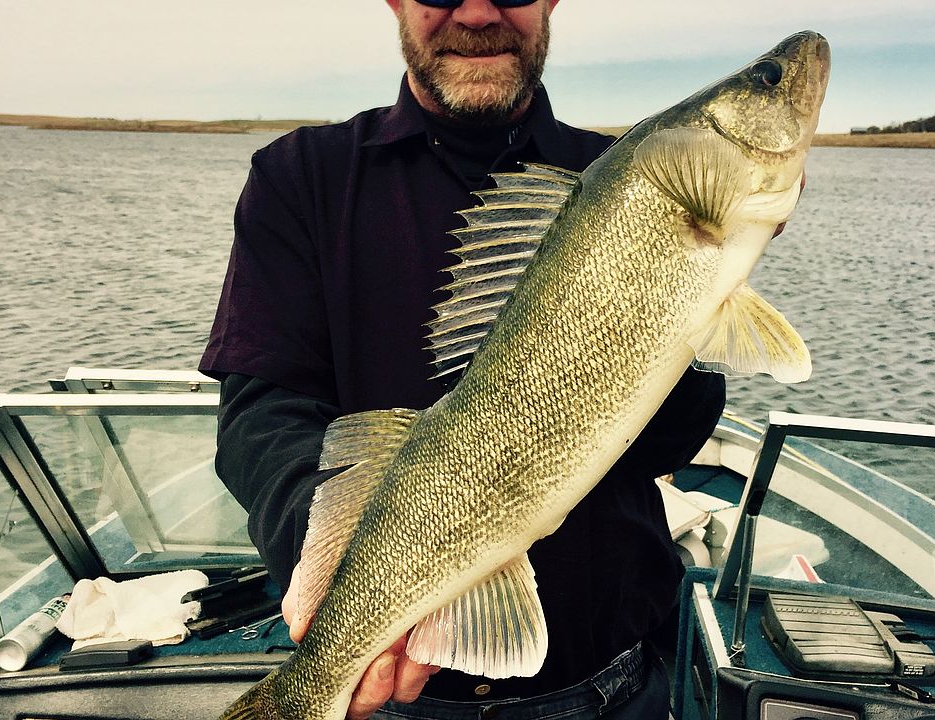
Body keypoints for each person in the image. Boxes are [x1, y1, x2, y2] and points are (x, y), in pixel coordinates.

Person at [200, 1, 729, 719]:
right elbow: (262, 415)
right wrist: (336, 565)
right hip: (397, 702)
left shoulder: (629, 181)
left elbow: (667, 441)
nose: (477, 13)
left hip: (609, 691)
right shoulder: (301, 177)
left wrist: (708, 270)